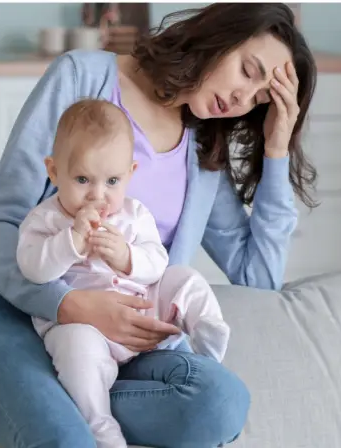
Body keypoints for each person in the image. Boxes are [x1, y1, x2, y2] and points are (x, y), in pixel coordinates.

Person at [0, 3, 317, 447]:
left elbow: (258, 278)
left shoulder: (204, 149)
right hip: (10, 313)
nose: (243, 98)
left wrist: (277, 149)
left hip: (122, 346)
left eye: (260, 98)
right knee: (71, 441)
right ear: (216, 36)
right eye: (247, 70)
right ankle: (32, 406)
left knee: (218, 403)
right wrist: (69, 305)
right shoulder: (81, 78)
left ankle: (23, 405)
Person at [18, 98, 231, 447]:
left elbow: (156, 263)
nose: (98, 196)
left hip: (140, 308)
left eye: (112, 181)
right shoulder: (46, 220)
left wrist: (127, 257)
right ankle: (100, 426)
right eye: (83, 179)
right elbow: (33, 269)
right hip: (84, 328)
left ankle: (207, 333)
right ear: (54, 172)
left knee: (183, 278)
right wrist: (70, 242)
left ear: (131, 174)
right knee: (75, 349)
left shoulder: (134, 214)